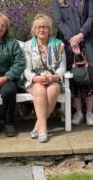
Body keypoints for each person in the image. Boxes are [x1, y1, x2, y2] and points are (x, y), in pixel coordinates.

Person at [51, 0, 93, 126]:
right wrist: (71, 39)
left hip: (87, 41)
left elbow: (92, 17)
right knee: (73, 78)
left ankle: (89, 112)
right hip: (68, 44)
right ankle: (78, 112)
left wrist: (80, 35)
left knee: (89, 77)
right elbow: (58, 21)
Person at [23, 14, 66, 143]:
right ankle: (43, 130)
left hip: (53, 78)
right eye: (39, 27)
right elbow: (26, 70)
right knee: (40, 90)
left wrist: (54, 77)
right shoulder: (28, 45)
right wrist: (35, 78)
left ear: (49, 29)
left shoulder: (59, 44)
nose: (42, 30)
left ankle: (38, 126)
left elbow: (62, 67)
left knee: (52, 90)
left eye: (45, 27)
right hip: (36, 79)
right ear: (34, 30)